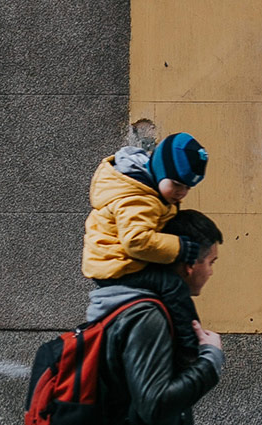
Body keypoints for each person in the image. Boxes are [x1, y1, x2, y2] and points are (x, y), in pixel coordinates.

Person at [86, 209, 224, 425]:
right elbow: (155, 405)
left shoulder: (142, 307)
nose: (211, 272)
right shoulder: (148, 317)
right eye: (211, 262)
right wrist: (210, 360)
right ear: (190, 266)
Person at [82, 133, 209, 359]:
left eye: (188, 188)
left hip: (119, 260)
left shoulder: (146, 187)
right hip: (116, 266)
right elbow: (137, 242)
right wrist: (178, 247)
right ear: (160, 169)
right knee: (173, 286)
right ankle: (192, 348)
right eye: (177, 184)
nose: (181, 193)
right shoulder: (138, 198)